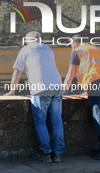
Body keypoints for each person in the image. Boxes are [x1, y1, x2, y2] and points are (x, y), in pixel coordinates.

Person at [5, 31, 64, 163]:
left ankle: (45, 152)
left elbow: (17, 72)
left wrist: (12, 91)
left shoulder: (26, 49)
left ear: (27, 40)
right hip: (57, 87)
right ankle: (58, 154)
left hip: (41, 88)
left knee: (40, 121)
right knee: (57, 121)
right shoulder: (48, 49)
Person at [63, 34, 100, 161]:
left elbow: (71, 74)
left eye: (71, 44)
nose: (71, 47)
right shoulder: (95, 48)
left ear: (74, 43)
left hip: (95, 84)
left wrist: (61, 91)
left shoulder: (76, 51)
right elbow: (95, 68)